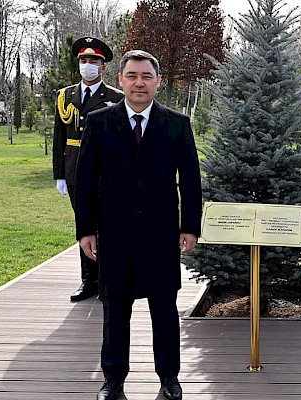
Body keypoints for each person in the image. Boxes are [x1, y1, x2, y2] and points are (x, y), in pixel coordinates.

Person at [74, 50, 202, 400]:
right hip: (114, 235)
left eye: (146, 76)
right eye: (132, 76)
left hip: (161, 236)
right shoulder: (100, 123)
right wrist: (85, 230)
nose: (139, 83)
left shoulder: (177, 124)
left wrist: (190, 227)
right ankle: (113, 380)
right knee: (115, 311)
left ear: (158, 81)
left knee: (164, 310)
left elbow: (191, 182)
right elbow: (85, 182)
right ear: (121, 80)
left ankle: (169, 378)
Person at [52, 36, 124, 302]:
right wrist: (59, 174)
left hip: (105, 170)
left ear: (103, 66)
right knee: (84, 224)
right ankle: (88, 280)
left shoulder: (116, 98)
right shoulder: (65, 96)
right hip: (74, 168)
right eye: (84, 60)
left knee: (106, 224)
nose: (88, 64)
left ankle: (107, 278)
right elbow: (59, 137)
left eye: (94, 60)